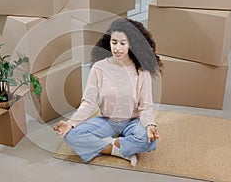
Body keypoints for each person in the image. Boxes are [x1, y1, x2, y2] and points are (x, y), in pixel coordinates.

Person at [54, 18, 163, 167]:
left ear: (132, 44)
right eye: (114, 42)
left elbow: (146, 105)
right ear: (109, 41)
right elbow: (88, 102)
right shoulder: (99, 68)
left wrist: (150, 125)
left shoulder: (142, 71)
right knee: (70, 136)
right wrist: (71, 123)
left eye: (123, 43)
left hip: (133, 121)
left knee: (149, 141)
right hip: (107, 121)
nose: (117, 48)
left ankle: (105, 146)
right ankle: (119, 149)